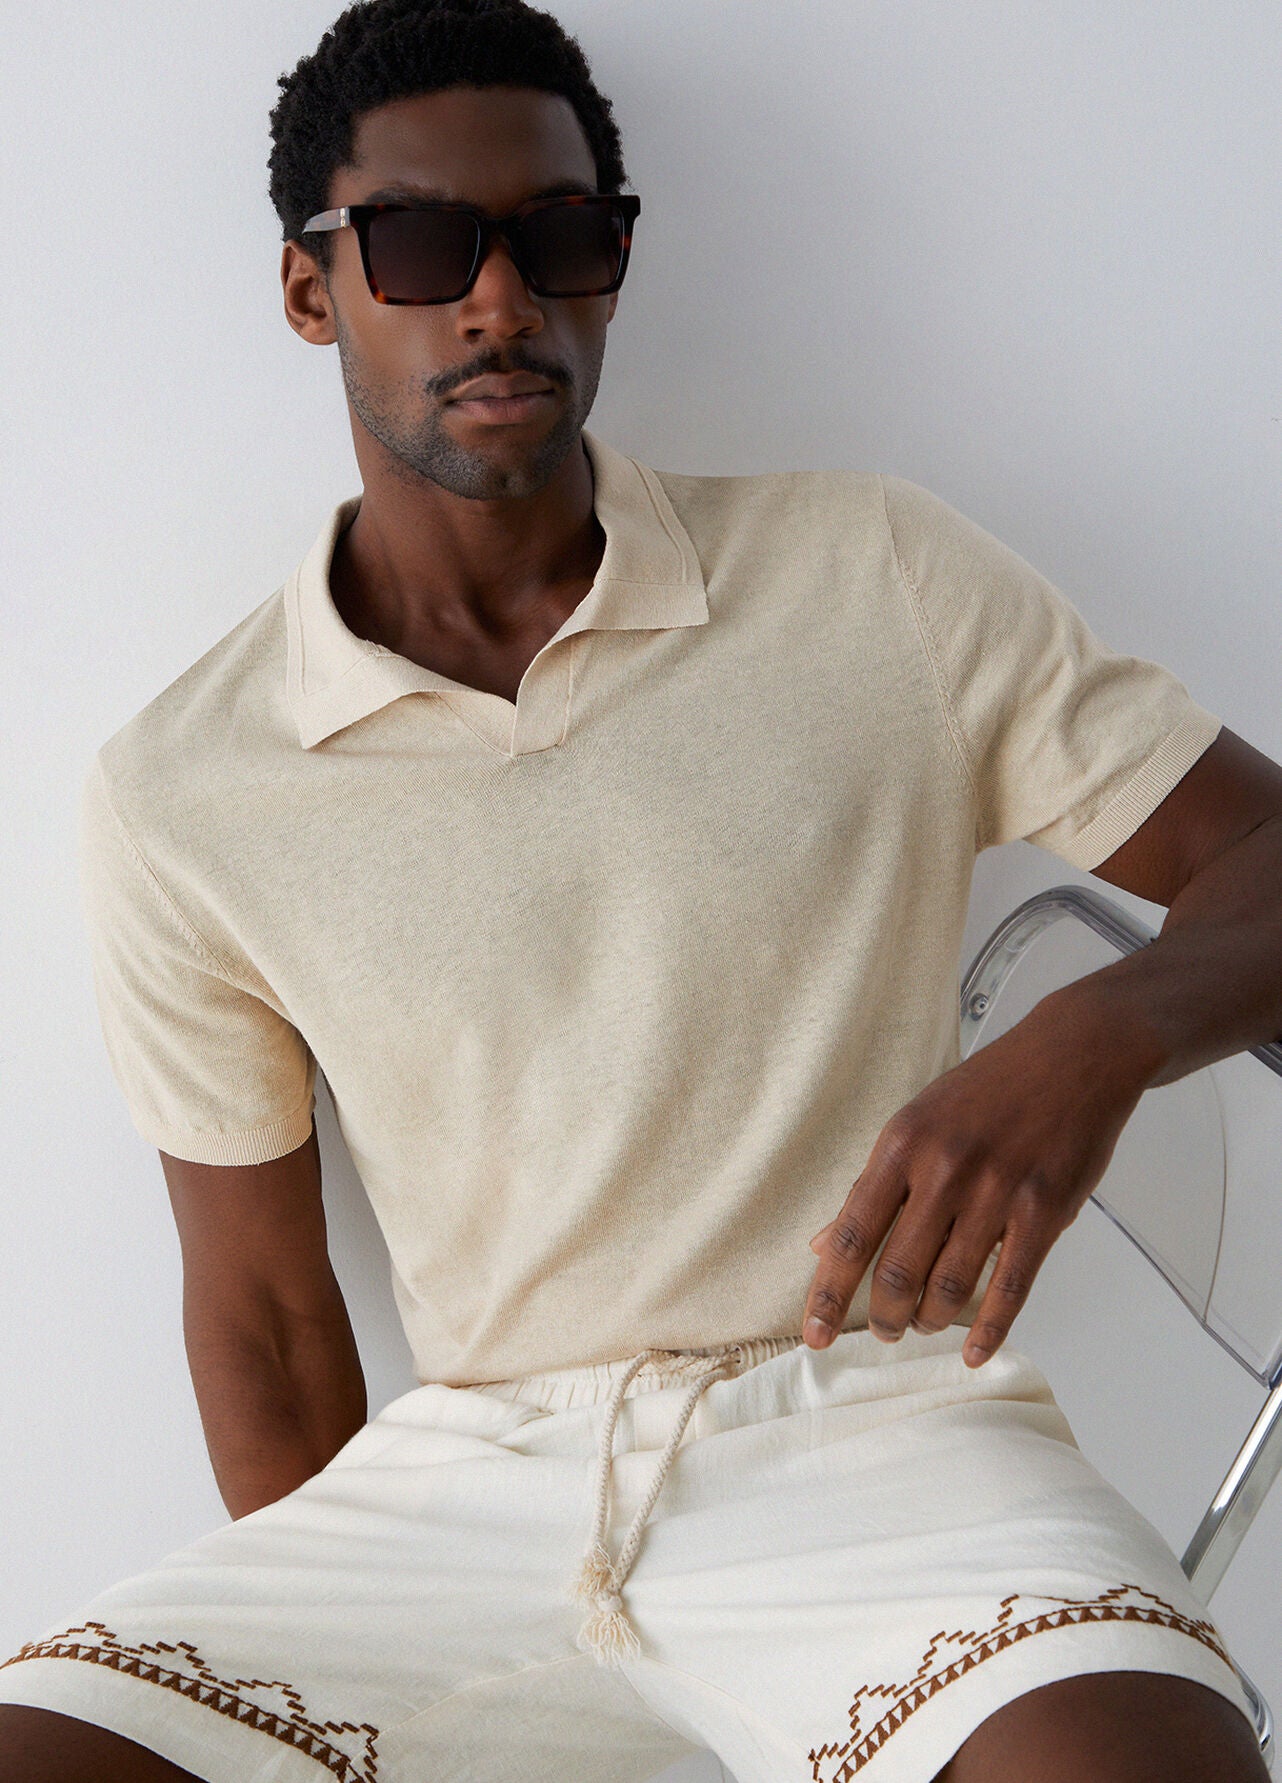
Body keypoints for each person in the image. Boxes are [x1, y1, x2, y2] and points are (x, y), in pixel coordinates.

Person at [4, 1, 1282, 1778]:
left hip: (884, 1448)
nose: (500, 302)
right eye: (422, 245)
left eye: (560, 236)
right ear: (311, 288)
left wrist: (1091, 1042)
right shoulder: (182, 787)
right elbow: (271, 1321)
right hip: (458, 1493)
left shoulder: (872, 574)